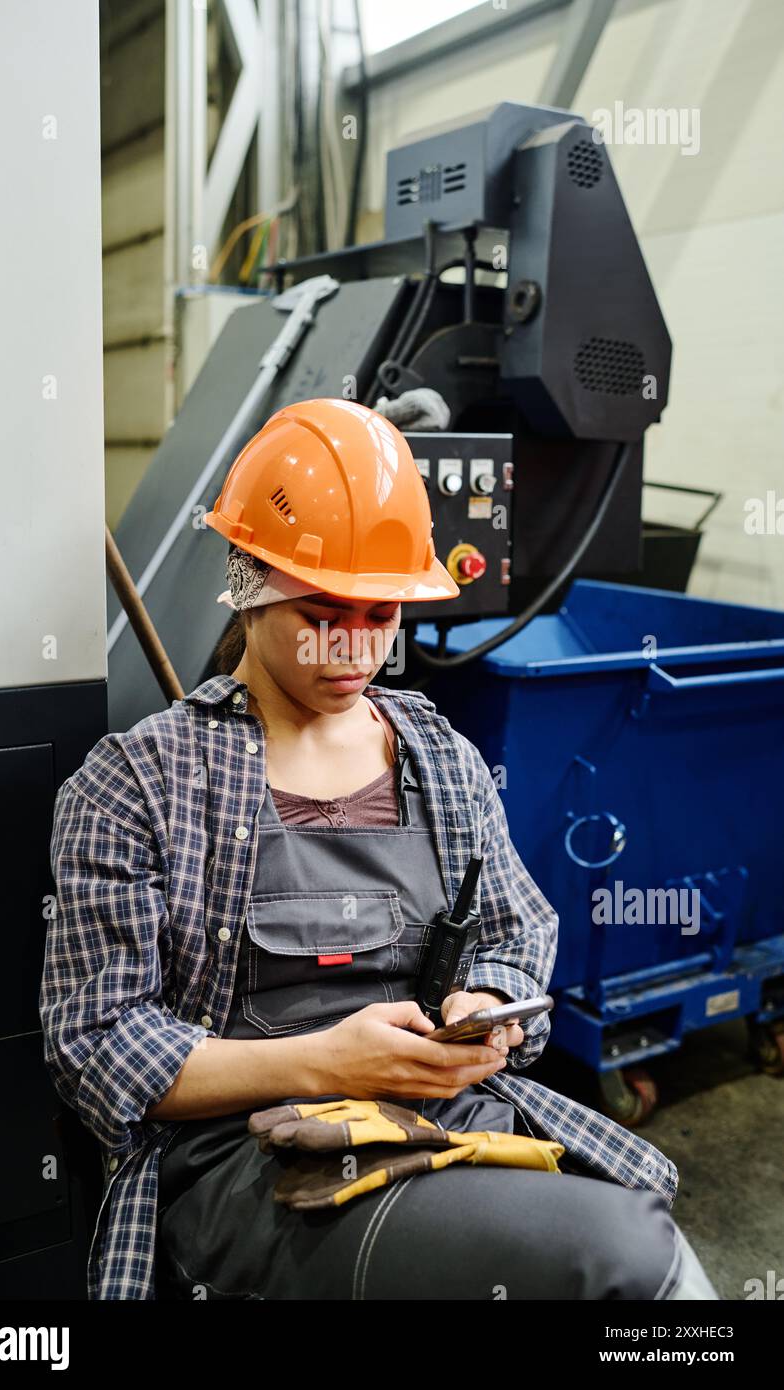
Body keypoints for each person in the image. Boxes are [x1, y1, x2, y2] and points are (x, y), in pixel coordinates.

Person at [40, 397, 718, 1300]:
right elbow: (98, 1045)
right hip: (254, 1156)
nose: (354, 644)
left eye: (381, 611)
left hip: (432, 1117)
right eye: (324, 609)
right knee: (621, 1261)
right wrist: (326, 1060)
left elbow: (518, 937)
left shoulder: (438, 754)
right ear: (250, 581)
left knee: (649, 1244)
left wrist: (489, 1011)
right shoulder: (139, 784)